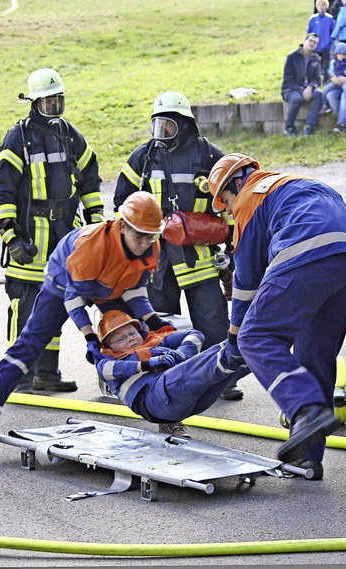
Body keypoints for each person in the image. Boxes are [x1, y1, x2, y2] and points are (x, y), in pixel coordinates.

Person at [0, 193, 179, 456]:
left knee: (137, 336)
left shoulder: (149, 245)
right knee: (31, 344)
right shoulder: (93, 246)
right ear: (122, 226)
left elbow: (134, 288)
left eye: (150, 236)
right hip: (64, 282)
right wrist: (90, 337)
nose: (145, 243)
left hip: (107, 286)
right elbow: (73, 298)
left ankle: (167, 416)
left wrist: (151, 320)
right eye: (139, 236)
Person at [207, 153, 346, 479]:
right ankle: (306, 459)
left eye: (224, 202)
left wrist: (234, 338)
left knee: (256, 337)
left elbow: (246, 282)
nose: (227, 211)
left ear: (234, 184)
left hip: (307, 250)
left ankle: (306, 411)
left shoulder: (249, 198)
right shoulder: (297, 183)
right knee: (315, 356)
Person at [113, 92, 241, 401]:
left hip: (199, 256)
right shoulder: (143, 157)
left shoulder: (209, 156)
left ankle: (222, 379)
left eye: (168, 125)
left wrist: (234, 249)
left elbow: (230, 207)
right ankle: (165, 379)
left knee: (212, 320)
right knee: (160, 320)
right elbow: (122, 202)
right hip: (157, 259)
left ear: (184, 124)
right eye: (157, 125)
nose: (162, 133)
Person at [0, 68, 104, 394]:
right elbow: (3, 191)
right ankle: (20, 377)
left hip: (63, 238)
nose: (54, 107)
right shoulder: (18, 139)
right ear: (34, 102)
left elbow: (90, 181)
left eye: (58, 100)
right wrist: (10, 236)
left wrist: (95, 223)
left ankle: (46, 374)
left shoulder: (71, 136)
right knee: (25, 308)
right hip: (28, 241)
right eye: (48, 101)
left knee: (54, 307)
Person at [94, 310, 250, 437]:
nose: (129, 339)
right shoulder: (109, 360)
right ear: (110, 345)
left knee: (232, 357)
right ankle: (234, 352)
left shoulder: (154, 340)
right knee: (212, 362)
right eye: (121, 338)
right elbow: (106, 370)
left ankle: (248, 346)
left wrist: (183, 352)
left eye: (132, 333)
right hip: (157, 403)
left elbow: (195, 335)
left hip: (194, 401)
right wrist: (149, 363)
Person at [281, 33, 324, 137]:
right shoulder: (292, 57)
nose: (312, 44)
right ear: (305, 41)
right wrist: (302, 90)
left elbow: (317, 79)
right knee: (297, 99)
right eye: (310, 41)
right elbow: (288, 79)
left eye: (315, 43)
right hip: (291, 89)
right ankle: (289, 128)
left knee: (319, 94)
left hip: (308, 88)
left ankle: (309, 125)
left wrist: (310, 87)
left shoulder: (316, 59)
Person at [320, 42, 346, 114]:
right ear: (336, 54)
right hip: (336, 80)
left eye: (343, 54)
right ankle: (325, 105)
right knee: (326, 89)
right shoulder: (333, 62)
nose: (341, 56)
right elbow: (330, 70)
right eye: (339, 54)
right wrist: (332, 74)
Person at [307, 0, 336, 84]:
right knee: (315, 65)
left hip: (326, 47)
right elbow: (309, 32)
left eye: (323, 4)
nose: (321, 6)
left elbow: (333, 32)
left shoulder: (330, 18)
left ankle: (326, 81)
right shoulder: (313, 19)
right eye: (319, 5)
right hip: (315, 47)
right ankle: (315, 81)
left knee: (326, 65)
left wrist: (330, 42)